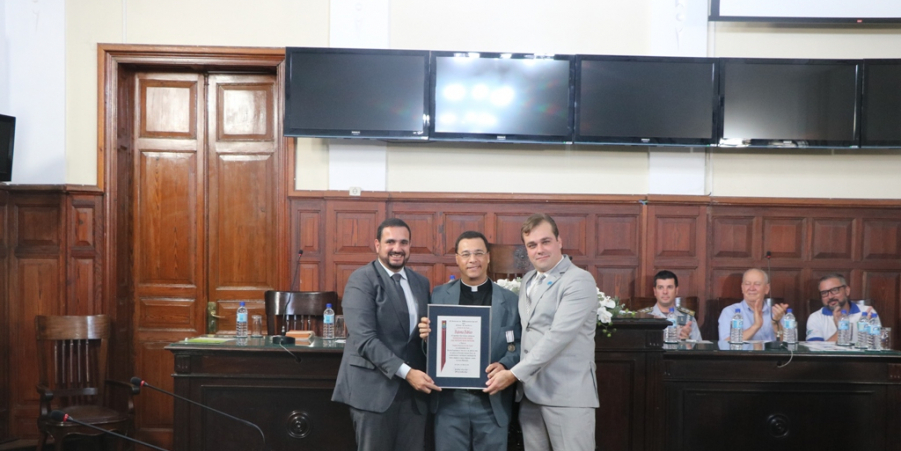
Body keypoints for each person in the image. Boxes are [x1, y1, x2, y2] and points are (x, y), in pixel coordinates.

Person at [480, 213, 599, 451]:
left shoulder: (579, 280)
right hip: (531, 395)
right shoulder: (528, 280)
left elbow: (557, 337)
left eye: (545, 241)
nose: (539, 250)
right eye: (532, 245)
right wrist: (504, 365)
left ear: (559, 241)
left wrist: (513, 374)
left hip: (567, 396)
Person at [331, 218, 439, 451]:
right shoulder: (361, 280)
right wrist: (408, 373)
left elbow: (418, 336)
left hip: (413, 397)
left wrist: (430, 338)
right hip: (374, 393)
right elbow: (364, 340)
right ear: (377, 245)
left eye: (403, 242)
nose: (397, 248)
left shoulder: (421, 282)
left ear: (410, 246)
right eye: (390, 241)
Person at [417, 231, 521, 451]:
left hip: (492, 402)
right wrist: (427, 338)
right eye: (466, 254)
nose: (472, 259)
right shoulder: (439, 295)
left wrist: (504, 365)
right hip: (449, 403)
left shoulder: (510, 300)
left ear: (488, 257)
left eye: (478, 253)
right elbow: (429, 352)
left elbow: (519, 344)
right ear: (457, 258)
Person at [717, 268, 790, 342]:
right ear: (742, 288)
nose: (751, 288)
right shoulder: (730, 312)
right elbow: (725, 343)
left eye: (757, 284)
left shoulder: (776, 313)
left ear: (766, 289)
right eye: (747, 284)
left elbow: (789, 345)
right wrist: (756, 326)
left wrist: (776, 324)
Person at [806, 273, 879, 343]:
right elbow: (816, 353)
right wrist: (840, 330)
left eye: (835, 290)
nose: (830, 296)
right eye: (824, 293)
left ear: (847, 291)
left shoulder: (867, 312)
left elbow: (879, 347)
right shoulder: (815, 317)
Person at [637, 270, 701, 340]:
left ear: (676, 290)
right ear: (655, 291)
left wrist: (687, 340)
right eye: (661, 287)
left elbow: (699, 348)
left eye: (669, 287)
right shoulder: (642, 317)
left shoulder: (688, 318)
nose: (665, 292)